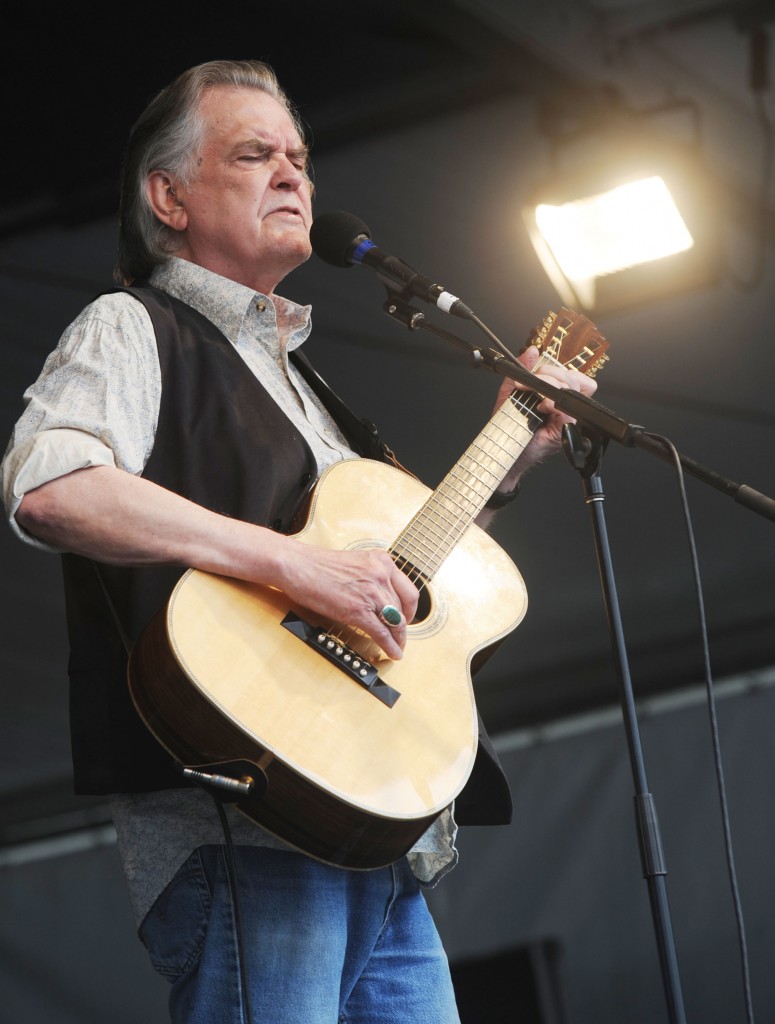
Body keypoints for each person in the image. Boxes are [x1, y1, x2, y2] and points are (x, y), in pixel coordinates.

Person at [0, 59, 597, 1023]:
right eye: (253, 154)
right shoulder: (132, 327)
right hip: (242, 821)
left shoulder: (315, 394)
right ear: (168, 196)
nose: (294, 177)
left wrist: (510, 459)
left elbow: (395, 584)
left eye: (300, 159)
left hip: (373, 829)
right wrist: (297, 564)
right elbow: (52, 487)